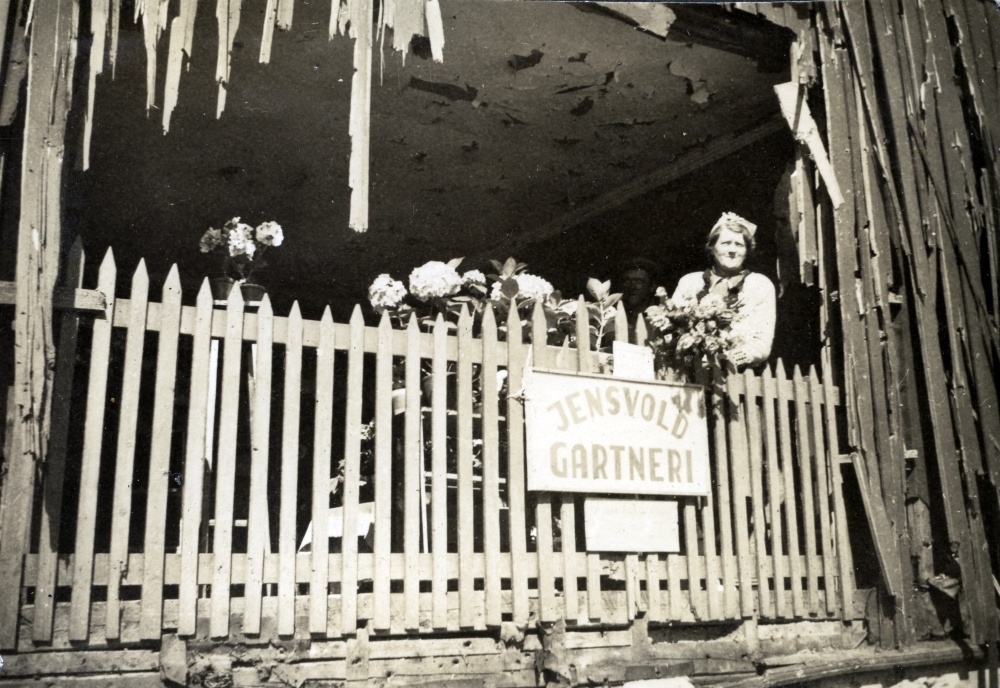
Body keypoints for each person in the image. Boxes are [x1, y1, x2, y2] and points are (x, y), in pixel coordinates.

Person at [672, 212, 776, 370]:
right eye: (726, 243)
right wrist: (690, 361)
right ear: (712, 247)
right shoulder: (690, 283)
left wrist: (725, 359)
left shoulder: (759, 285)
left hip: (742, 379)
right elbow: (674, 332)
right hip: (691, 375)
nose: (732, 250)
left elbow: (762, 344)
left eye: (739, 245)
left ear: (747, 250)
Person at [618, 257, 660, 342]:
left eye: (639, 282)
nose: (632, 287)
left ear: (652, 287)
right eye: (628, 281)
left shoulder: (659, 319)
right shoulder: (614, 316)